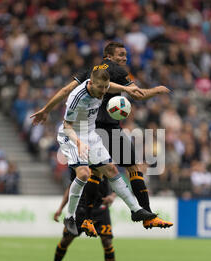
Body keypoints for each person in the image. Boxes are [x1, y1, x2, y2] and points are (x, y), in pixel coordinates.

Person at [31, 41, 173, 232]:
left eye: (125, 55)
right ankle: (79, 217)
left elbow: (71, 89)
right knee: (111, 170)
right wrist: (155, 90)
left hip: (93, 129)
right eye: (121, 54)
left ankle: (125, 212)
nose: (124, 58)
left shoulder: (91, 74)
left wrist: (46, 109)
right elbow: (138, 95)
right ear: (108, 56)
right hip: (88, 131)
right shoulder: (114, 74)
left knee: (103, 172)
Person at [58, 68, 161, 235]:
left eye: (106, 88)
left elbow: (110, 85)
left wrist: (127, 89)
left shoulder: (102, 87)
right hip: (72, 135)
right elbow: (66, 125)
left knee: (112, 170)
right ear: (91, 84)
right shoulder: (76, 97)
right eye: (101, 88)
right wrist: (79, 144)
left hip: (90, 134)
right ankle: (70, 217)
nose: (104, 91)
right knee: (84, 174)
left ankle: (136, 210)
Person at [38, 169, 121, 261]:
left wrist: (112, 196)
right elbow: (71, 188)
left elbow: (118, 182)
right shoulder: (79, 165)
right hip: (81, 209)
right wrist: (60, 208)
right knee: (66, 240)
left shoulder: (103, 162)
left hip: (100, 209)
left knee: (107, 242)